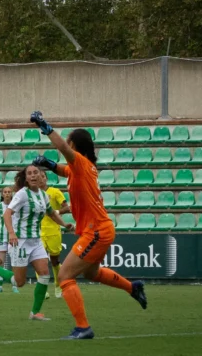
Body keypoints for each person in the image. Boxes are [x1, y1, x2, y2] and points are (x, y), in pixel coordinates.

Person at [30, 112, 147, 339]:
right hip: (99, 229)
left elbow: (63, 149)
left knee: (64, 277)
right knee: (92, 273)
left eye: (71, 143)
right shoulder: (81, 169)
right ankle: (133, 288)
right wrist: (47, 163)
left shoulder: (81, 163)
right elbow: (62, 168)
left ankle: (83, 327)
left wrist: (44, 126)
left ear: (75, 146)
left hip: (96, 231)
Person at [0, 166, 69, 321]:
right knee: (19, 282)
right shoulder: (22, 195)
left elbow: (51, 213)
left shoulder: (43, 196)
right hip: (20, 241)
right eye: (30, 174)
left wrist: (64, 224)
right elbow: (7, 214)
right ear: (26, 178)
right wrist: (12, 233)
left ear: (42, 177)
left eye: (37, 173)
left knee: (44, 274)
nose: (34, 176)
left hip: (36, 241)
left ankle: (35, 313)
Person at [39, 171, 71, 298]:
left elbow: (67, 207)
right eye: (38, 177)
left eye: (43, 176)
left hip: (53, 231)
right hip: (39, 232)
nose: (40, 179)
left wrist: (56, 211)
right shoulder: (34, 194)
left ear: (46, 179)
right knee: (40, 261)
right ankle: (43, 289)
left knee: (55, 261)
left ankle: (58, 285)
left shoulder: (55, 192)